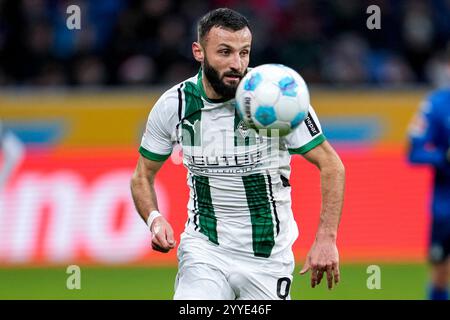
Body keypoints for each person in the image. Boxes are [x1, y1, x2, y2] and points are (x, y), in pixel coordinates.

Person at [130, 8, 345, 300]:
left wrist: (326, 238)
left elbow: (332, 164)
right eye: (225, 52)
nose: (237, 64)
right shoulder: (175, 105)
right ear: (199, 52)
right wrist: (154, 218)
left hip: (267, 257)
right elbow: (142, 175)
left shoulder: (277, 97)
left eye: (244, 53)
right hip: (204, 250)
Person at [407, 46, 450, 301]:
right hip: (445, 207)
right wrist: (443, 157)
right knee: (440, 270)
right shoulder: (436, 104)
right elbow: (414, 152)